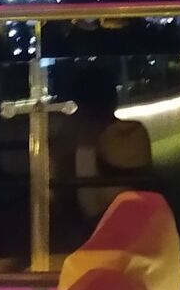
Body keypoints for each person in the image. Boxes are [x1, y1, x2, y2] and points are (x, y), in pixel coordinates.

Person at [56, 62, 153, 222]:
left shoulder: (73, 131)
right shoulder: (132, 132)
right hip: (113, 219)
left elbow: (87, 205)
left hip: (91, 218)